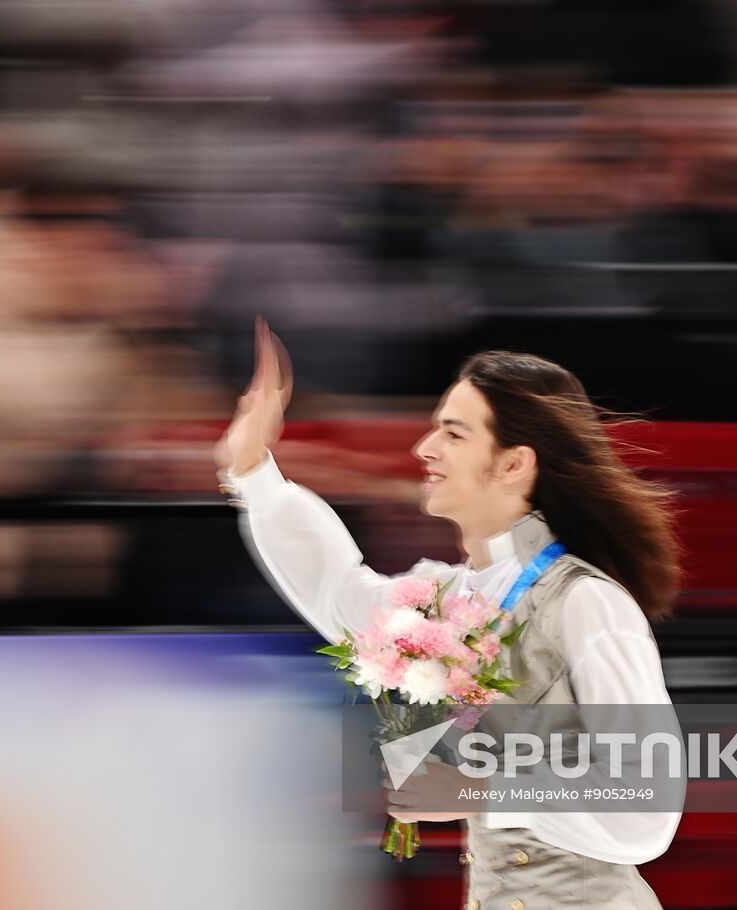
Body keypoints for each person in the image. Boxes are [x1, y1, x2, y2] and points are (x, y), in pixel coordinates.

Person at [214, 317, 684, 909]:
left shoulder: (587, 603)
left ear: (513, 464)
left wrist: (479, 790)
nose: (425, 449)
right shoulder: (448, 596)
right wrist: (254, 472)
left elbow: (648, 809)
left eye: (454, 434)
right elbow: (339, 593)